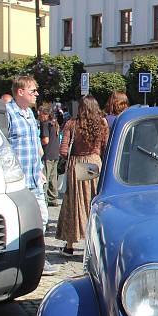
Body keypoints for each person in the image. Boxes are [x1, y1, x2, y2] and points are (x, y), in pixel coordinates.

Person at [5, 75, 58, 276]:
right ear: (20, 92)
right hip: (17, 180)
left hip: (34, 178)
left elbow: (36, 145)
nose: (36, 94)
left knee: (42, 217)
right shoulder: (8, 114)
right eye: (32, 90)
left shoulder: (29, 114)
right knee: (18, 222)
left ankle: (38, 260)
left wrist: (40, 171)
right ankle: (16, 260)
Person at [56, 96, 108, 256]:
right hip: (94, 162)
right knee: (93, 202)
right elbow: (106, 146)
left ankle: (70, 245)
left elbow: (63, 150)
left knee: (75, 203)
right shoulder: (102, 123)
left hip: (77, 163)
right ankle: (94, 244)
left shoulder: (72, 124)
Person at [38, 103, 61, 207]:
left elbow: (45, 140)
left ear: (44, 114)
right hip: (55, 153)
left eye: (40, 114)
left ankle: (44, 199)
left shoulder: (45, 124)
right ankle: (53, 198)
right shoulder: (54, 123)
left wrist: (38, 142)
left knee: (45, 177)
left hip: (47, 153)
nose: (39, 117)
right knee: (53, 177)